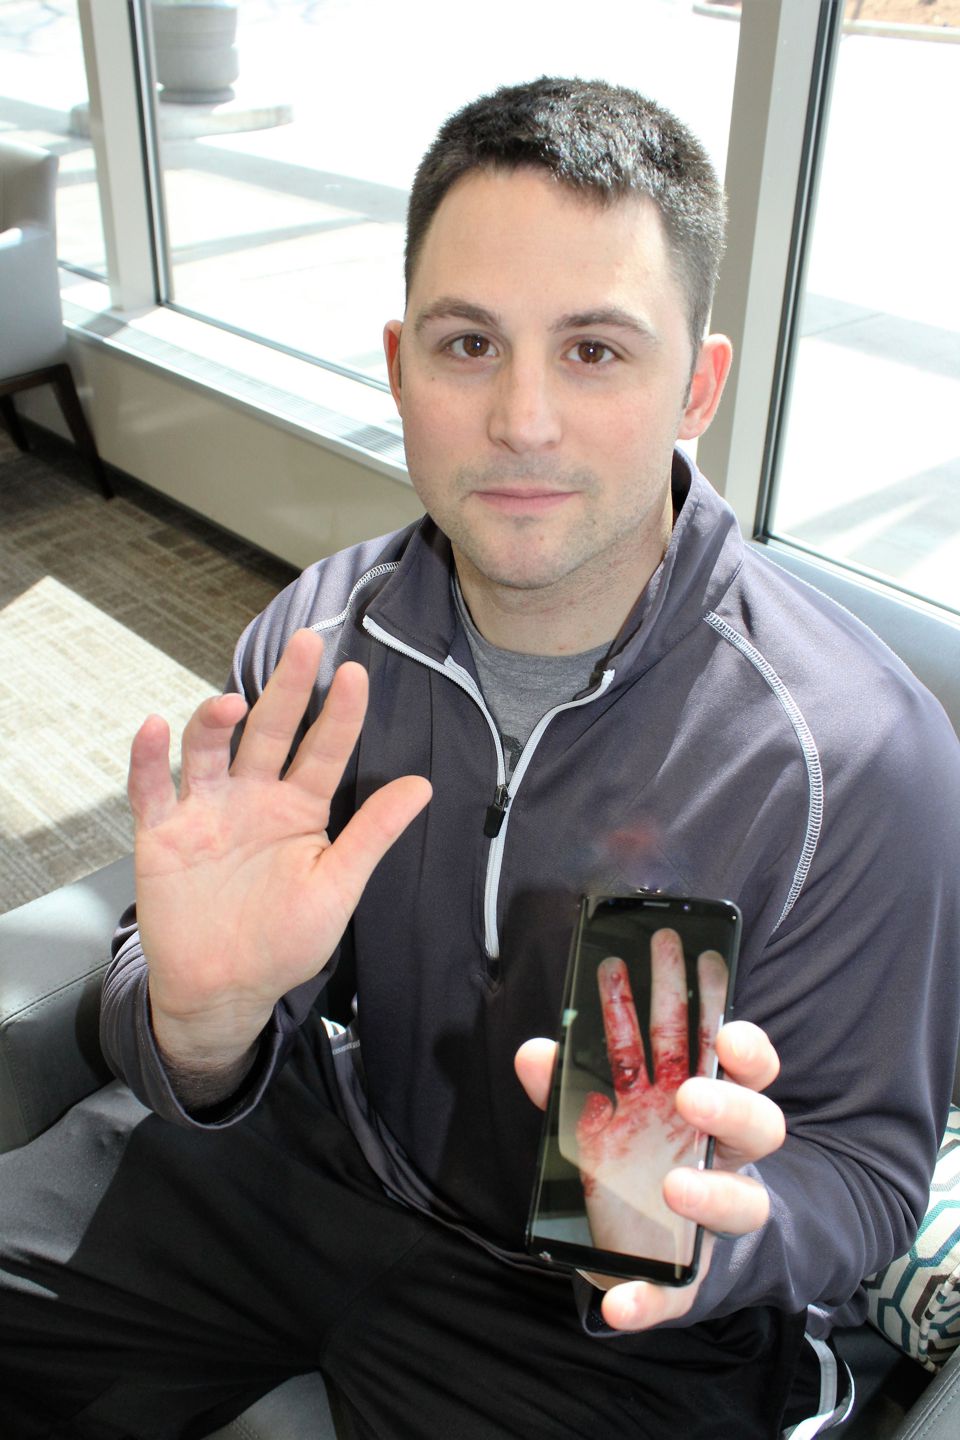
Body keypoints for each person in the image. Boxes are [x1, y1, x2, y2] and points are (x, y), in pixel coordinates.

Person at [1, 76, 958, 1440]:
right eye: (467, 346)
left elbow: (866, 1170)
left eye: (593, 351)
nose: (520, 420)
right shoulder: (318, 640)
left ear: (698, 383)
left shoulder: (857, 757)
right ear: (400, 365)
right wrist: (195, 1027)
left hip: (609, 1329)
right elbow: (198, 997)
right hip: (316, 1160)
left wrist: (694, 1234)